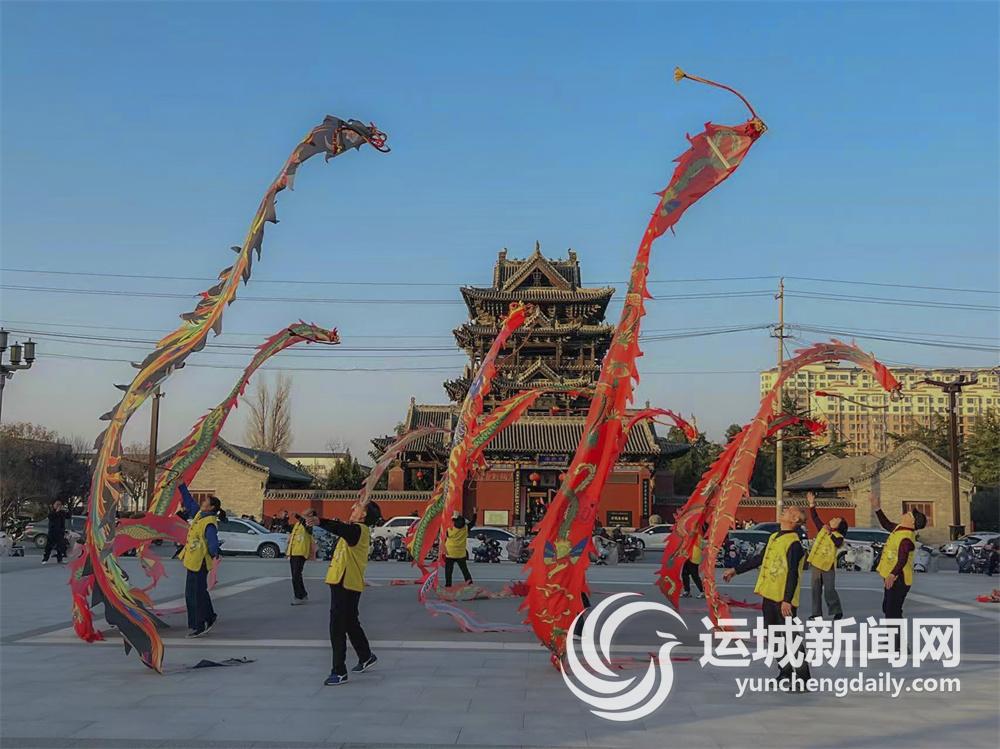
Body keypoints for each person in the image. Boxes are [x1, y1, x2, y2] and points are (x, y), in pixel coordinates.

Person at [723, 505, 810, 689]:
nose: (784, 511)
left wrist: (787, 600)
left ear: (794, 520)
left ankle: (803, 678)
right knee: (773, 636)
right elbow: (759, 558)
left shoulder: (794, 544)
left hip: (784, 600)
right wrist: (736, 570)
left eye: (789, 511)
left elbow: (793, 574)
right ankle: (785, 672)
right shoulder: (774, 537)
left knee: (791, 638)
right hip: (770, 595)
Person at [324, 502, 380, 685]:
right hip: (346, 581)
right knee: (349, 622)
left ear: (363, 515)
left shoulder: (357, 531)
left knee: (337, 626)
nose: (351, 509)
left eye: (356, 508)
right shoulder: (356, 530)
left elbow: (339, 528)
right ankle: (366, 655)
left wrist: (319, 521)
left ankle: (339, 671)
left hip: (345, 583)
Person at [872, 492, 926, 647]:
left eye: (909, 514)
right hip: (893, 576)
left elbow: (902, 558)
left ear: (912, 521)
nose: (906, 513)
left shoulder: (906, 538)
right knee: (889, 608)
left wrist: (892, 574)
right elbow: (886, 524)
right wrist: (877, 508)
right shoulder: (900, 529)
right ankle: (896, 640)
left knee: (892, 610)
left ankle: (897, 644)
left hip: (899, 578)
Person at [177, 484, 223, 637]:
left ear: (211, 507)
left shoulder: (209, 522)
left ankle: (200, 624)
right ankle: (209, 617)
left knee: (195, 594)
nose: (203, 502)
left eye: (206, 501)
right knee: (196, 592)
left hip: (200, 562)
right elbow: (189, 502)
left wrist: (214, 552)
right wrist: (181, 486)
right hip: (193, 561)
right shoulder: (199, 515)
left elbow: (212, 541)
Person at [806, 491, 847, 619]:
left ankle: (837, 610)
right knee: (815, 590)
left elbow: (837, 543)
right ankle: (816, 614)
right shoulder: (823, 528)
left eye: (836, 520)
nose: (833, 519)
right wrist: (812, 504)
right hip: (816, 564)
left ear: (838, 526)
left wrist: (830, 534)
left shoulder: (839, 536)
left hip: (828, 567)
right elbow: (815, 518)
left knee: (829, 590)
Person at [288, 509, 318, 605]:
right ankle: (303, 594)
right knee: (295, 575)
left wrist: (297, 515)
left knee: (296, 575)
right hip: (293, 551)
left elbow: (304, 522)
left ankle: (299, 597)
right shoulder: (298, 524)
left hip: (301, 552)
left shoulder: (309, 523)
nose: (304, 513)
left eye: (307, 513)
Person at [444, 513, 473, 587]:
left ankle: (448, 585)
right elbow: (472, 522)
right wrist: (475, 513)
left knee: (448, 570)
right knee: (464, 570)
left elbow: (444, 534)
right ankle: (470, 584)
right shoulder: (465, 528)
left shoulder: (449, 529)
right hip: (461, 554)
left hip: (450, 552)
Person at [41, 500, 70, 564]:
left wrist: (67, 510)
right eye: (57, 504)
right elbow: (51, 517)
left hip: (60, 532)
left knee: (60, 546)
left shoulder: (62, 512)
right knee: (49, 546)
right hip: (52, 532)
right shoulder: (52, 512)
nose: (58, 506)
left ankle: (60, 559)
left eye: (59, 505)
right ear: (54, 505)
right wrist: (57, 511)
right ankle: (45, 559)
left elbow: (68, 516)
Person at [681, 533, 705, 598]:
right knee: (684, 574)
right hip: (688, 557)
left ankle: (703, 592)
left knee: (695, 575)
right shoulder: (690, 535)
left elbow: (701, 546)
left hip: (694, 557)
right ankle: (687, 591)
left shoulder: (698, 535)